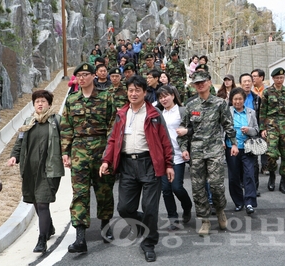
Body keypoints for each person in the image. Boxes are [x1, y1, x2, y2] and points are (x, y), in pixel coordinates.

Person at [99, 75, 174, 262]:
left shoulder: (154, 114)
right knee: (124, 208)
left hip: (149, 164)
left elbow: (165, 141)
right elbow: (113, 139)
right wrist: (106, 160)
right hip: (127, 166)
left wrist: (169, 164)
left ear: (145, 92)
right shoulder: (122, 114)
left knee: (150, 208)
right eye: (130, 90)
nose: (133, 94)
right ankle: (146, 224)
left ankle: (149, 243)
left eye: (137, 90)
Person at [60, 63, 116, 253]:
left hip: (101, 149)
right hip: (79, 151)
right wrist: (65, 152)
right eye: (79, 75)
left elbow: (112, 126)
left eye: (85, 74)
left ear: (93, 76)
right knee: (79, 194)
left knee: (104, 190)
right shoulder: (72, 99)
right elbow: (66, 127)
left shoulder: (106, 96)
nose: (82, 78)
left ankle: (106, 227)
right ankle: (80, 238)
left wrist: (109, 154)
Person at [177, 71, 238, 236]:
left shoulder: (219, 103)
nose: (200, 85)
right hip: (196, 152)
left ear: (210, 83)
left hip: (215, 150)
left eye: (203, 82)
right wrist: (183, 149)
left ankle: (219, 211)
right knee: (198, 188)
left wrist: (233, 144)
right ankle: (204, 220)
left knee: (217, 186)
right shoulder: (190, 106)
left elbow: (228, 125)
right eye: (197, 83)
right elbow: (182, 130)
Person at [8, 90, 64, 253]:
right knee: (34, 200)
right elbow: (19, 144)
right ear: (33, 105)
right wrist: (14, 157)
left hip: (49, 169)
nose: (40, 104)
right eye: (37, 101)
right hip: (30, 169)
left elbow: (66, 141)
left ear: (49, 104)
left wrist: (68, 157)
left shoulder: (56, 121)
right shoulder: (28, 122)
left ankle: (42, 240)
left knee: (42, 202)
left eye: (43, 101)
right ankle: (49, 227)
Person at [156, 85, 193, 231]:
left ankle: (187, 206)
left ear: (173, 95)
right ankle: (173, 218)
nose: (163, 99)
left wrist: (186, 131)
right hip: (164, 156)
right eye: (160, 97)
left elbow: (193, 128)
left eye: (166, 96)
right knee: (166, 189)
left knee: (176, 187)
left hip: (179, 154)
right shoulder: (159, 113)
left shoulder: (182, 111)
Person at [260, 67, 285, 194]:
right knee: (271, 154)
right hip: (271, 124)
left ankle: (283, 182)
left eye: (282, 77)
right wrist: (262, 128)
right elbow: (262, 111)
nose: (280, 80)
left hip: (284, 125)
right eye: (277, 77)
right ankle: (272, 174)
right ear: (273, 78)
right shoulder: (267, 92)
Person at [225, 87, 258, 215]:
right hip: (231, 148)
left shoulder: (251, 112)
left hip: (248, 148)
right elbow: (222, 129)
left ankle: (249, 202)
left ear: (244, 100)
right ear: (231, 100)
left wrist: (248, 130)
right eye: (235, 99)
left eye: (240, 99)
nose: (238, 101)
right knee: (234, 177)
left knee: (249, 175)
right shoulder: (227, 112)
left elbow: (256, 130)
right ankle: (239, 202)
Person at [240, 73, 262, 196]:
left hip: (253, 133)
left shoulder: (257, 98)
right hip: (238, 134)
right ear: (241, 83)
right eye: (245, 81)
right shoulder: (235, 97)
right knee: (240, 163)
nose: (247, 83)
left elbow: (261, 115)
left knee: (253, 163)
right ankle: (242, 186)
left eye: (249, 81)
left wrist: (261, 130)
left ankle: (254, 187)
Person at [251, 69, 269, 176]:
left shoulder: (267, 90)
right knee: (253, 143)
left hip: (264, 120)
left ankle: (265, 166)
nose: (253, 78)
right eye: (252, 76)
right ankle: (254, 166)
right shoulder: (250, 91)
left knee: (264, 143)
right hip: (253, 120)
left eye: (255, 76)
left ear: (261, 77)